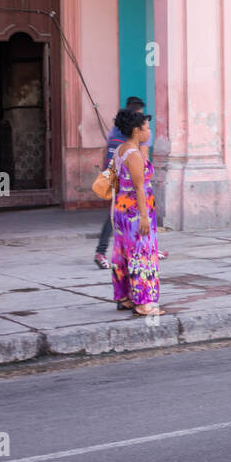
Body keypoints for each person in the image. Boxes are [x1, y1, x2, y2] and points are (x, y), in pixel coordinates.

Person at [108, 108, 161, 317]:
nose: (149, 132)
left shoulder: (120, 150)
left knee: (123, 254)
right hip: (135, 212)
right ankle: (143, 303)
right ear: (137, 131)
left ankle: (124, 297)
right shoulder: (134, 155)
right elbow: (139, 187)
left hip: (122, 209)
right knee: (142, 254)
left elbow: (115, 182)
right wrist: (145, 216)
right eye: (147, 128)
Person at [94, 96, 147, 269]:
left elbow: (107, 155)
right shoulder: (132, 142)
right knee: (123, 219)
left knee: (115, 217)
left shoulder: (115, 134)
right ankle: (104, 251)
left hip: (116, 180)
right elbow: (142, 166)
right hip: (127, 186)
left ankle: (106, 252)